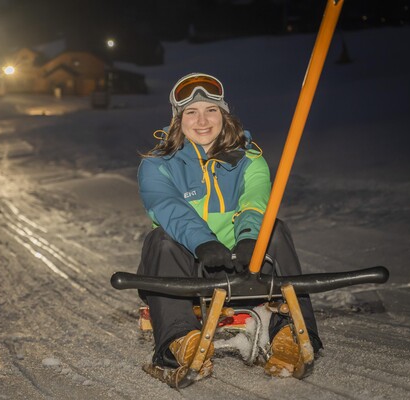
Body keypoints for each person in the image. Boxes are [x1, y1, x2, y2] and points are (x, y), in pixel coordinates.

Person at [136, 72, 322, 382]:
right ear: (177, 120)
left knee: (274, 229)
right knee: (161, 239)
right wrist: (204, 243)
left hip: (245, 265)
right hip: (187, 270)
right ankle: (180, 341)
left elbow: (255, 203)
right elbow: (168, 207)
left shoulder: (251, 160)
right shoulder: (156, 164)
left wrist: (250, 241)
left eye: (211, 110)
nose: (202, 120)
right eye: (191, 112)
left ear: (224, 115)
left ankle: (292, 335)